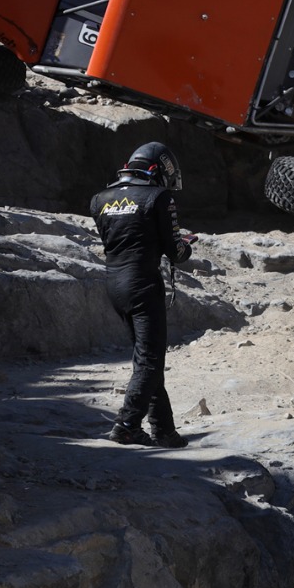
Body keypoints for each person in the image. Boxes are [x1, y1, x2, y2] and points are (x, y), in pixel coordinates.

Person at [89, 141, 195, 447]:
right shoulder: (158, 196)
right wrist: (185, 244)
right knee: (149, 361)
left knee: (146, 361)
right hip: (143, 285)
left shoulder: (101, 199)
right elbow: (174, 252)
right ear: (157, 170)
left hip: (114, 285)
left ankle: (163, 430)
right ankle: (125, 425)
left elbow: (126, 235)